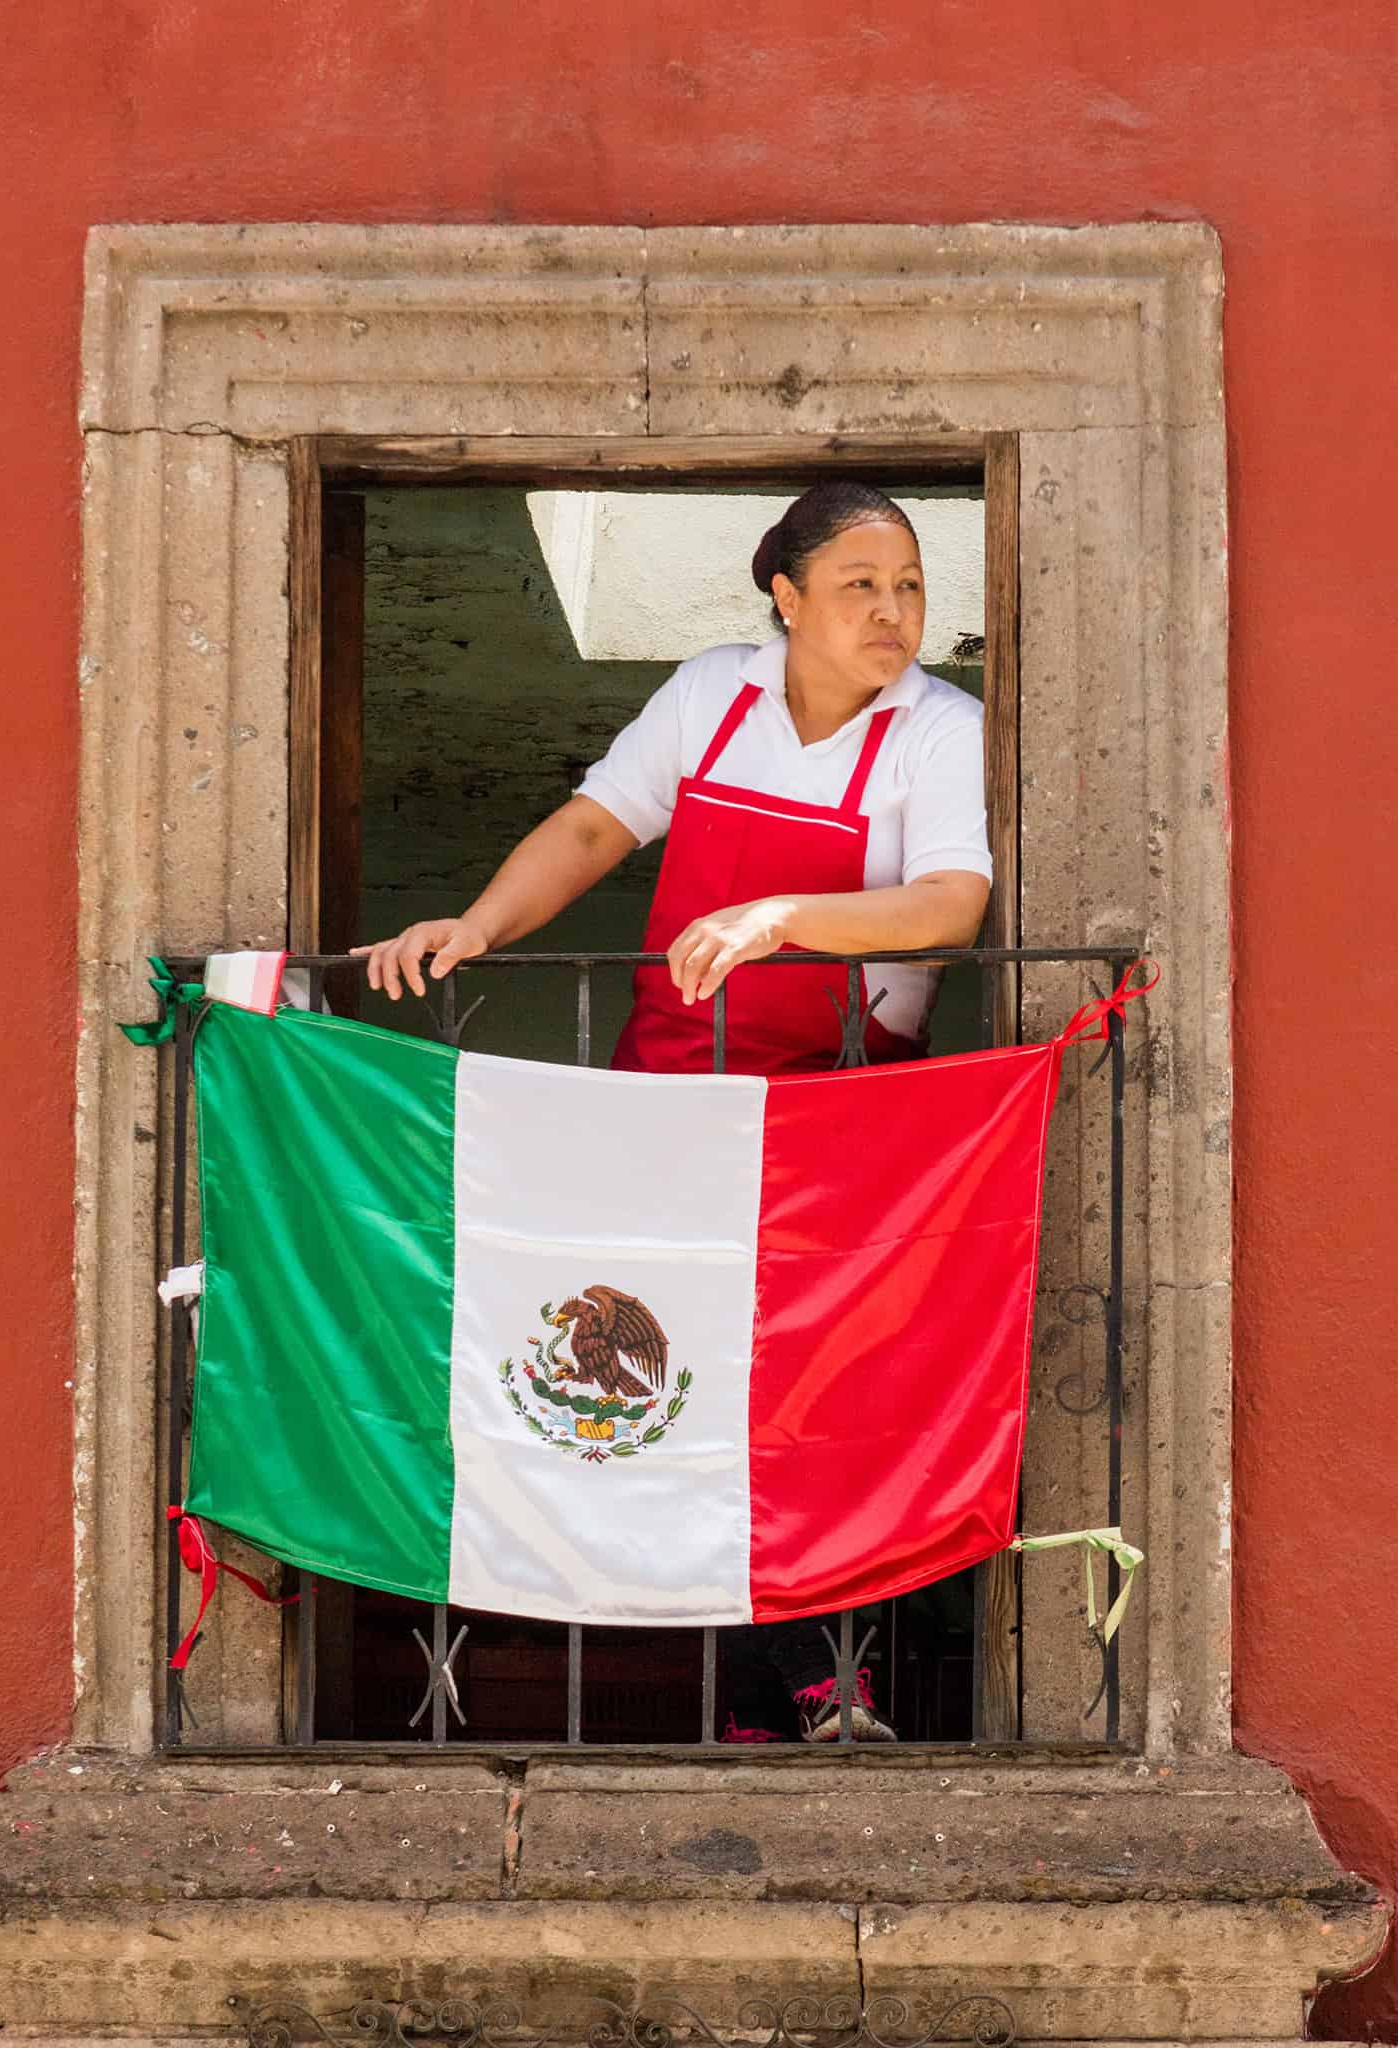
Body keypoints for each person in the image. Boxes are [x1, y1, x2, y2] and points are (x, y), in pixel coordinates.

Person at [355, 481, 993, 1740]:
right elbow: (599, 825)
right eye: (861, 583)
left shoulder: (940, 728)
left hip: (836, 1109)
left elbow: (948, 905)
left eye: (911, 585)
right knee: (693, 1390)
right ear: (787, 595)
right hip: (672, 1099)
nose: (894, 611)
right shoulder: (714, 691)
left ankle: (830, 1669)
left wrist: (778, 920)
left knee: (815, 1388)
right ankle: (762, 1687)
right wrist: (475, 925)